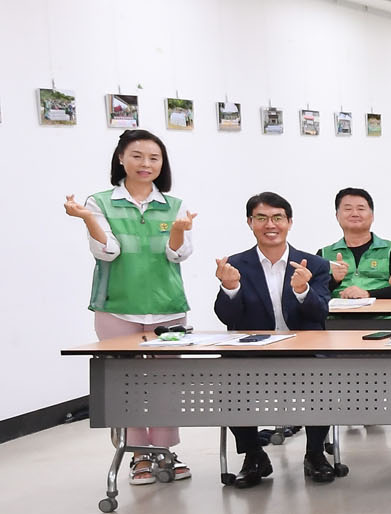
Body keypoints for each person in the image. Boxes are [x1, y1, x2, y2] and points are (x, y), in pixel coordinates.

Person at [65, 129, 197, 485]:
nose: (145, 164)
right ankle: (138, 455)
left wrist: (178, 230)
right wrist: (87, 218)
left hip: (167, 307)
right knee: (126, 384)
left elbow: (179, 254)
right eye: (137, 156)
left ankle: (165, 451)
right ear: (121, 158)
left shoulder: (174, 205)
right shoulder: (100, 203)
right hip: (116, 307)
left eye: (154, 158)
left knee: (166, 384)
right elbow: (107, 251)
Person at [212, 192, 335, 488]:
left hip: (303, 352)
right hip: (255, 354)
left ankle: (315, 453)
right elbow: (227, 316)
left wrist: (303, 290)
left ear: (289, 222)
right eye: (262, 218)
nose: (271, 224)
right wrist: (230, 287)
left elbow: (320, 313)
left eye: (278, 217)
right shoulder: (235, 264)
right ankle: (254, 455)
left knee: (325, 374)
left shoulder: (314, 264)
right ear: (249, 222)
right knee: (227, 376)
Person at [319, 188, 391, 300]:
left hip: (381, 311)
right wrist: (334, 280)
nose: (354, 214)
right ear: (337, 216)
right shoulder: (324, 254)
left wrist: (368, 294)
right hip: (336, 311)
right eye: (348, 209)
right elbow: (313, 292)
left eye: (361, 209)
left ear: (372, 216)